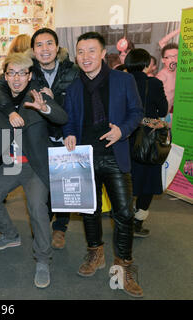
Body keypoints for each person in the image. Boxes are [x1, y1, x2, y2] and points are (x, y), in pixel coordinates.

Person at [0, 50, 68, 289]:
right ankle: (10, 235)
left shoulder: (38, 96)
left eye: (22, 73)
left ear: (29, 76)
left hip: (35, 166)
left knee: (37, 209)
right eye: (11, 73)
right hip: (11, 165)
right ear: (5, 76)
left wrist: (45, 107)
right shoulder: (0, 100)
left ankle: (43, 259)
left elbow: (61, 117)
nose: (16, 78)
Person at [63, 32, 144, 298]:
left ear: (102, 53)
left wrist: (122, 131)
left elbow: (136, 112)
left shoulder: (123, 80)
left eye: (90, 51)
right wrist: (69, 134)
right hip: (85, 157)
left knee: (124, 213)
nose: (85, 57)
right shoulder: (74, 87)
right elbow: (70, 120)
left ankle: (123, 266)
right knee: (89, 210)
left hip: (115, 154)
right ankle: (95, 253)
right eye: (80, 52)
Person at [0, 27, 78, 250]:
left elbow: (67, 112)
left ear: (57, 47)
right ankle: (26, 234)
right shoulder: (27, 69)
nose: (44, 49)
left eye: (49, 44)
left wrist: (48, 106)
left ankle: (57, 232)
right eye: (39, 44)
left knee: (54, 197)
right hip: (33, 142)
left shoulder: (72, 71)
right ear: (33, 49)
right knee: (38, 202)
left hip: (63, 137)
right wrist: (11, 111)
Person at [125, 48, 168, 237]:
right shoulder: (155, 83)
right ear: (146, 64)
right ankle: (137, 222)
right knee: (147, 182)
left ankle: (122, 220)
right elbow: (164, 109)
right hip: (148, 140)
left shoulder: (121, 82)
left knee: (124, 181)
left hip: (125, 138)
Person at [156, 43, 178, 117]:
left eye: (176, 56)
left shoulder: (177, 72)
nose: (174, 59)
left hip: (168, 115)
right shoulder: (161, 76)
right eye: (169, 57)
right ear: (163, 60)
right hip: (158, 116)